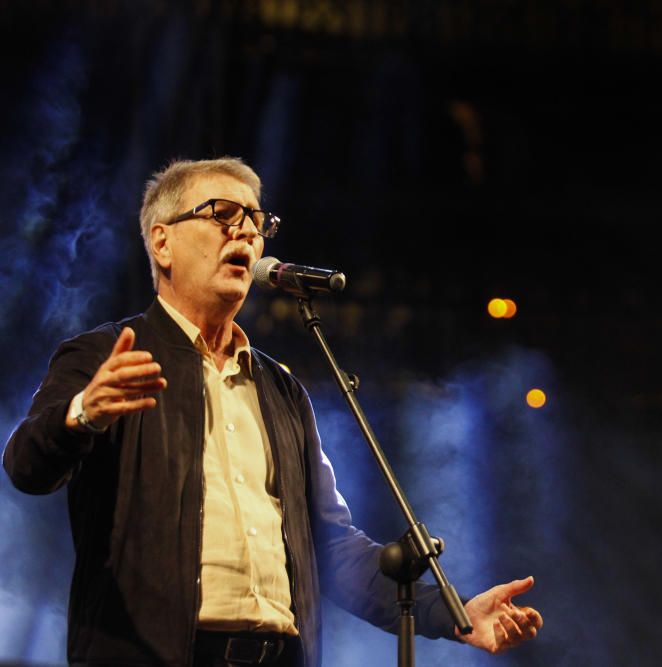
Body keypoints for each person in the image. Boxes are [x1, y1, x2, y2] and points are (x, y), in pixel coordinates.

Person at [3, 157, 543, 667]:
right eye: (221, 214)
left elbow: (329, 547)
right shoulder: (104, 357)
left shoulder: (282, 391)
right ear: (161, 242)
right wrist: (83, 414)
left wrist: (448, 613)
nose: (245, 232)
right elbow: (26, 465)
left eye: (257, 221)